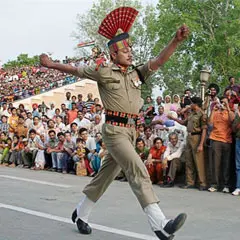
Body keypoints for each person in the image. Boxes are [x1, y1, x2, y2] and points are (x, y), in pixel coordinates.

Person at [40, 6, 189, 239]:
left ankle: (81, 213)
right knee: (137, 169)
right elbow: (76, 70)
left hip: (131, 131)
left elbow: (159, 61)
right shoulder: (103, 71)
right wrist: (52, 65)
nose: (129, 53)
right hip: (114, 130)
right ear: (113, 54)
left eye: (130, 49)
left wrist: (175, 41)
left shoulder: (136, 74)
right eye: (124, 50)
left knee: (106, 176)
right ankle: (160, 224)